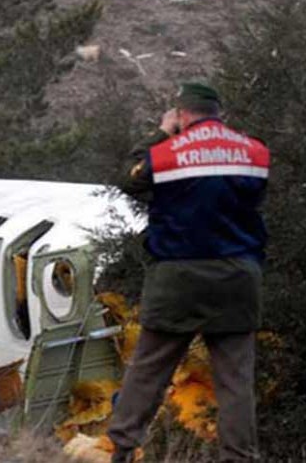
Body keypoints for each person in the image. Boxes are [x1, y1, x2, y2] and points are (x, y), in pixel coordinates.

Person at [107, 82, 270, 463]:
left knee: (149, 369)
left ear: (181, 114)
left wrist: (161, 133)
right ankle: (239, 456)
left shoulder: (166, 154)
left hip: (177, 276)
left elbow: (130, 180)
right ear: (219, 113)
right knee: (235, 380)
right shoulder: (255, 151)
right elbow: (254, 199)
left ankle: (122, 449)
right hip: (238, 276)